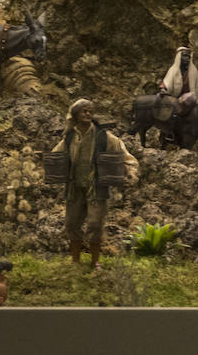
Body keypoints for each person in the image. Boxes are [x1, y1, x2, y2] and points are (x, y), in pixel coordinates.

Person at [52, 98, 139, 269]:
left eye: (90, 110)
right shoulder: (69, 138)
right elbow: (56, 156)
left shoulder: (104, 137)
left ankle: (95, 261)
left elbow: (125, 156)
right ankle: (75, 260)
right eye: (84, 110)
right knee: (71, 224)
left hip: (97, 189)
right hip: (74, 189)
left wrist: (131, 172)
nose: (88, 113)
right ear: (75, 114)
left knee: (94, 225)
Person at [158, 46, 198, 117]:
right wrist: (163, 90)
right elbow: (166, 83)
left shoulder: (193, 71)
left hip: (190, 98)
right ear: (179, 57)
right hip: (176, 98)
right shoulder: (173, 70)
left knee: (191, 97)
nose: (187, 58)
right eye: (184, 56)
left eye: (189, 57)